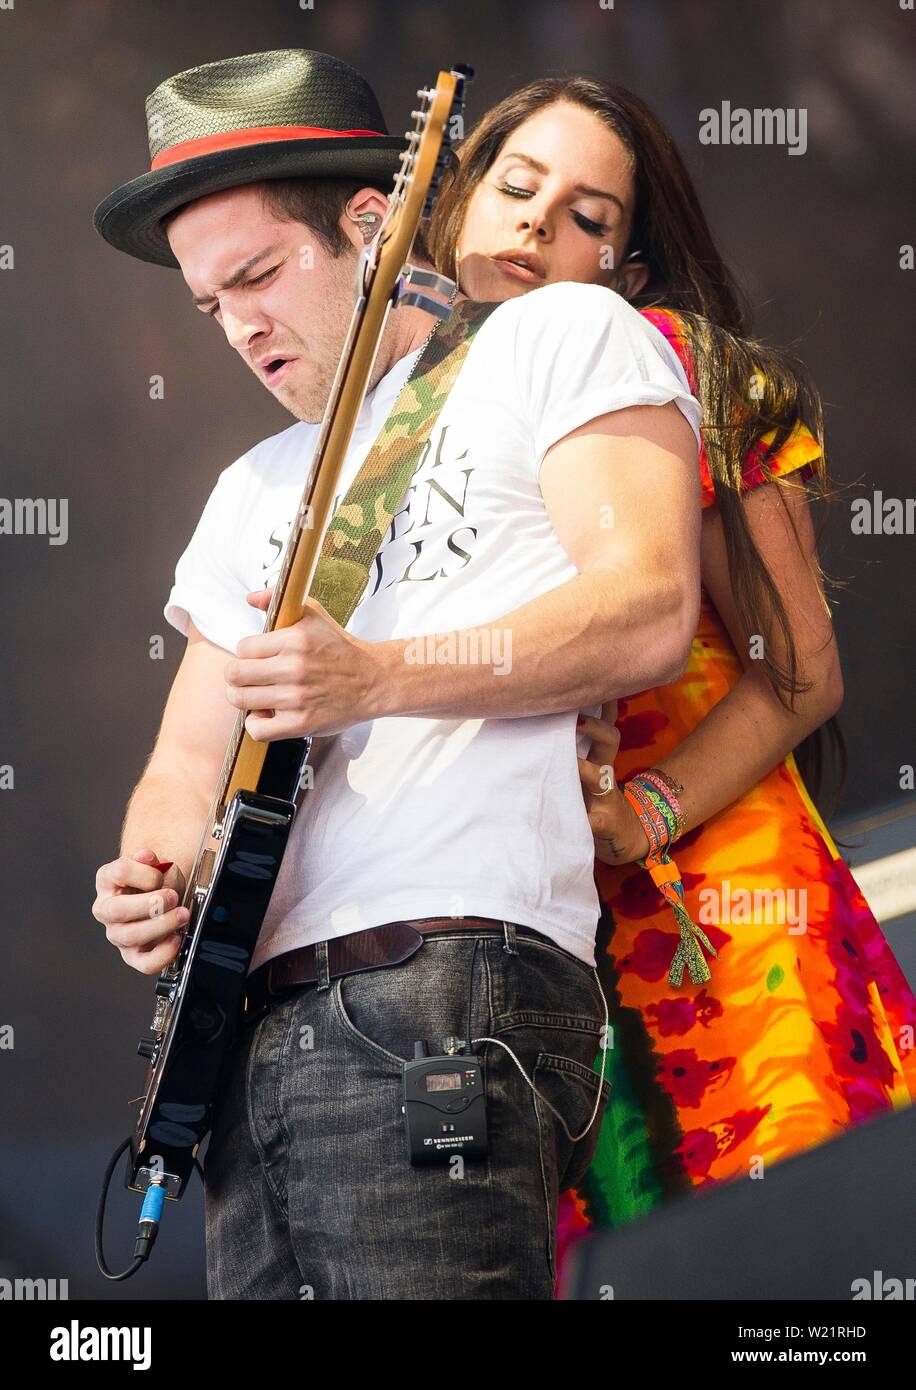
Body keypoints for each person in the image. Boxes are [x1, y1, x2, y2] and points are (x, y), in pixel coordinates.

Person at [89, 50, 705, 1299]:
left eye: (258, 274)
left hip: (441, 983)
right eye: (213, 303)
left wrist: (374, 676)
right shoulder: (250, 488)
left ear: (369, 226)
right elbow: (182, 766)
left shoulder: (551, 338)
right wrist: (147, 881)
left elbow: (645, 608)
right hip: (242, 1037)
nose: (240, 324)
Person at [427, 75, 916, 1278]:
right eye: (517, 186)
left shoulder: (670, 364)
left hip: (722, 917)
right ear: (454, 209)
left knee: (789, 1276)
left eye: (589, 217)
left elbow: (798, 672)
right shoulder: (406, 422)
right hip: (530, 948)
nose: (539, 227)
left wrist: (637, 814)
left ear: (628, 272)